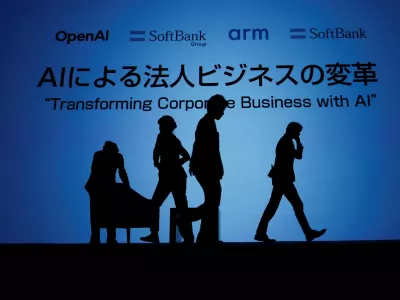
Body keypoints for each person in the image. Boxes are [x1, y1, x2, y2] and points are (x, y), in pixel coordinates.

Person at [254, 122, 326, 243]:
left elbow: (298, 156)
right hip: (282, 179)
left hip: (281, 178)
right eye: (297, 132)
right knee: (295, 205)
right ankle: (308, 233)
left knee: (275, 206)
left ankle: (260, 233)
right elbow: (297, 156)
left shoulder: (287, 141)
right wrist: (297, 143)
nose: (298, 134)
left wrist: (298, 142)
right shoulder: (285, 142)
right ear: (290, 130)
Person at [140, 116, 194, 244]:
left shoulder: (171, 139)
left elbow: (186, 156)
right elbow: (157, 151)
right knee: (178, 206)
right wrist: (158, 162)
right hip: (171, 176)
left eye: (162, 125)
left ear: (168, 126)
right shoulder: (163, 137)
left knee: (174, 206)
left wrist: (172, 165)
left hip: (173, 177)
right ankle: (186, 237)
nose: (160, 128)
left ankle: (187, 238)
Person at [188, 94, 229, 244]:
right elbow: (205, 148)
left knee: (212, 201)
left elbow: (198, 145)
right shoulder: (206, 123)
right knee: (213, 201)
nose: (223, 113)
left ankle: (205, 237)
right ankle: (186, 219)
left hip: (205, 167)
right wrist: (217, 167)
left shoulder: (207, 122)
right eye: (222, 109)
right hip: (206, 168)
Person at [85, 141, 130, 244]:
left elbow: (122, 171)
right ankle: (96, 237)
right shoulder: (98, 154)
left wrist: (127, 185)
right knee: (96, 212)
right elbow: (94, 169)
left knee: (109, 212)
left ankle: (110, 238)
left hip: (107, 187)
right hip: (97, 187)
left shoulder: (117, 156)